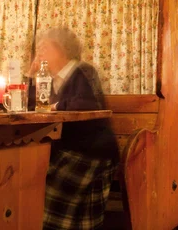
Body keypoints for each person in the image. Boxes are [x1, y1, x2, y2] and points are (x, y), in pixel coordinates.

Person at [33, 28, 118, 230]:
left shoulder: (83, 70)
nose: (39, 53)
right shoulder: (49, 79)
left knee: (43, 184)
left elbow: (85, 103)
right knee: (28, 176)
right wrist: (31, 75)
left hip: (92, 150)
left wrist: (54, 107)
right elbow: (33, 105)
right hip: (66, 148)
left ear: (62, 49)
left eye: (44, 48)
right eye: (38, 49)